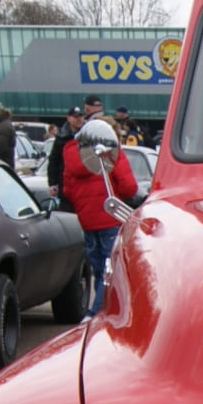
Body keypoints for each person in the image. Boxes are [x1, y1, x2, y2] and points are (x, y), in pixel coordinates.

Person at [62, 118, 136, 318]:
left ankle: (103, 311)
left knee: (98, 270)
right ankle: (95, 315)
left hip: (86, 220)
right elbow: (129, 187)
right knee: (110, 270)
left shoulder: (71, 152)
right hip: (110, 216)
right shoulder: (110, 152)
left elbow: (67, 189)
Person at [47, 106, 86, 207]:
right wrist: (52, 183)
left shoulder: (88, 135)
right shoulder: (61, 138)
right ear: (68, 118)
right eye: (75, 117)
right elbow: (54, 161)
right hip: (65, 184)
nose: (79, 119)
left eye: (80, 116)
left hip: (84, 185)